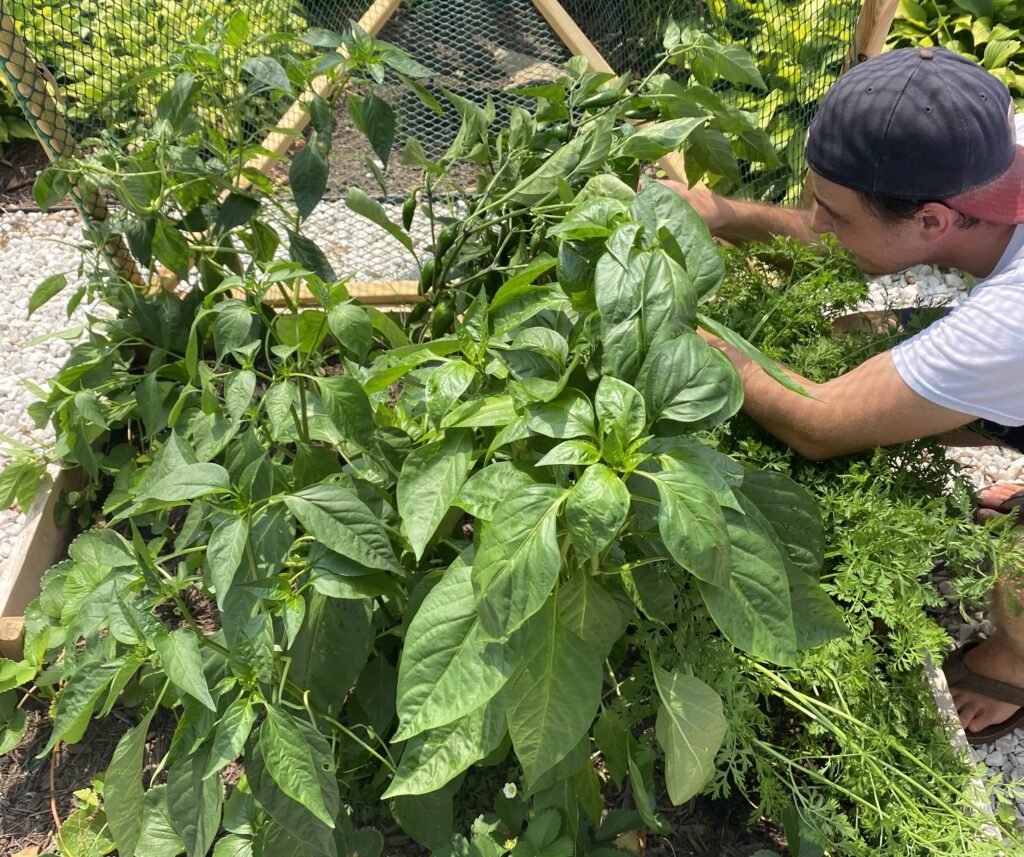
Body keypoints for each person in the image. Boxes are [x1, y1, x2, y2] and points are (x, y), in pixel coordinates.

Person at [664, 46, 1024, 744]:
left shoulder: (1009, 325)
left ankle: (1015, 660)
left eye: (833, 212)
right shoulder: (993, 151)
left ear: (932, 222)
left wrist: (705, 348)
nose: (817, 224)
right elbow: (849, 238)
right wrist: (718, 213)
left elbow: (820, 422)